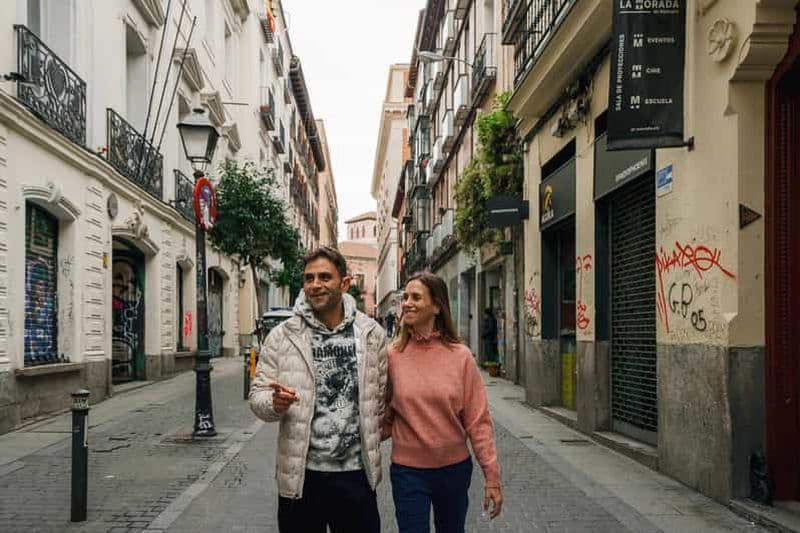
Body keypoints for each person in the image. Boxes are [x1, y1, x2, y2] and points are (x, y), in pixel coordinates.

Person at [249, 246, 388, 533]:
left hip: (356, 477)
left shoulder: (372, 334)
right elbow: (257, 396)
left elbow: (379, 397)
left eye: (325, 277)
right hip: (301, 478)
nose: (315, 285)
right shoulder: (282, 335)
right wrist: (273, 404)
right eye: (309, 278)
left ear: (345, 283)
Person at [383, 272, 503, 532]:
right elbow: (383, 414)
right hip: (408, 472)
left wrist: (491, 476)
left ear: (437, 306)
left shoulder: (460, 357)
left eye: (416, 297)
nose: (407, 303)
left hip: (453, 471)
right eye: (405, 298)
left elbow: (478, 421)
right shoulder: (392, 356)